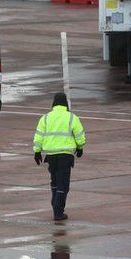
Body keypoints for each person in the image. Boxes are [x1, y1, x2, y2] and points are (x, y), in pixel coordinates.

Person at [33, 93, 86, 221]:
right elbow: (79, 135)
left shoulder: (45, 118)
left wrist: (37, 152)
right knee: (63, 184)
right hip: (65, 155)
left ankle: (54, 203)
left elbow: (38, 136)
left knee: (55, 181)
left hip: (50, 155)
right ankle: (58, 210)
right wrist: (80, 147)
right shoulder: (71, 118)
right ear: (65, 104)